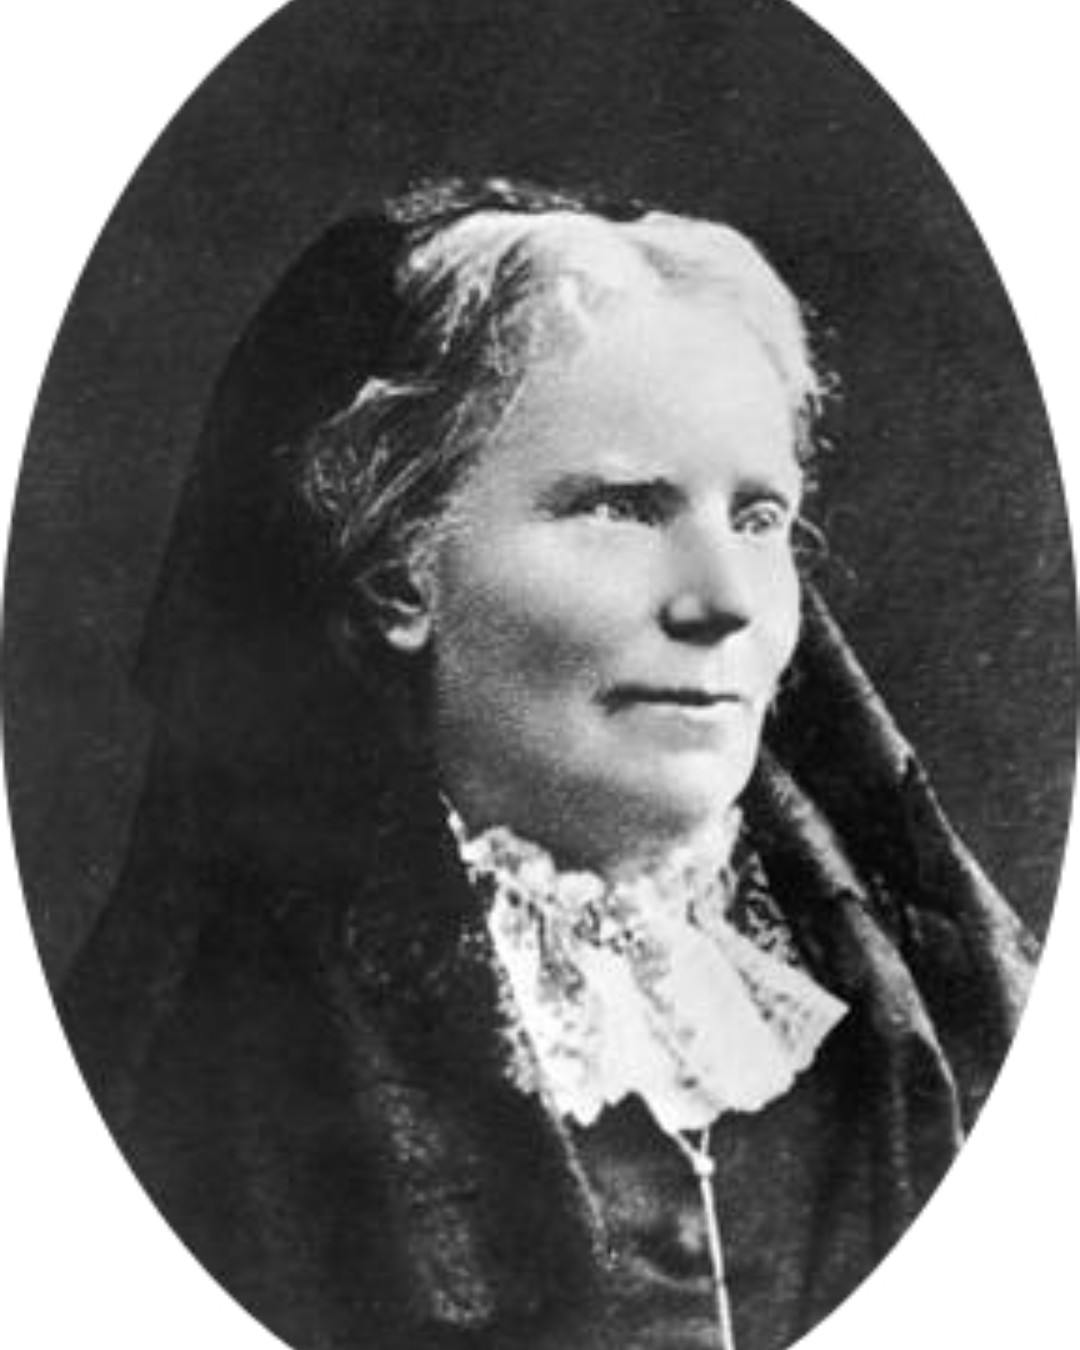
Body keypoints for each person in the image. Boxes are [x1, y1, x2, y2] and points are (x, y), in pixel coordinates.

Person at [60, 178, 1036, 1350]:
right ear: (400, 574)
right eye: (622, 507)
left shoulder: (920, 1029)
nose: (725, 601)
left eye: (759, 517)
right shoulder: (211, 1084)